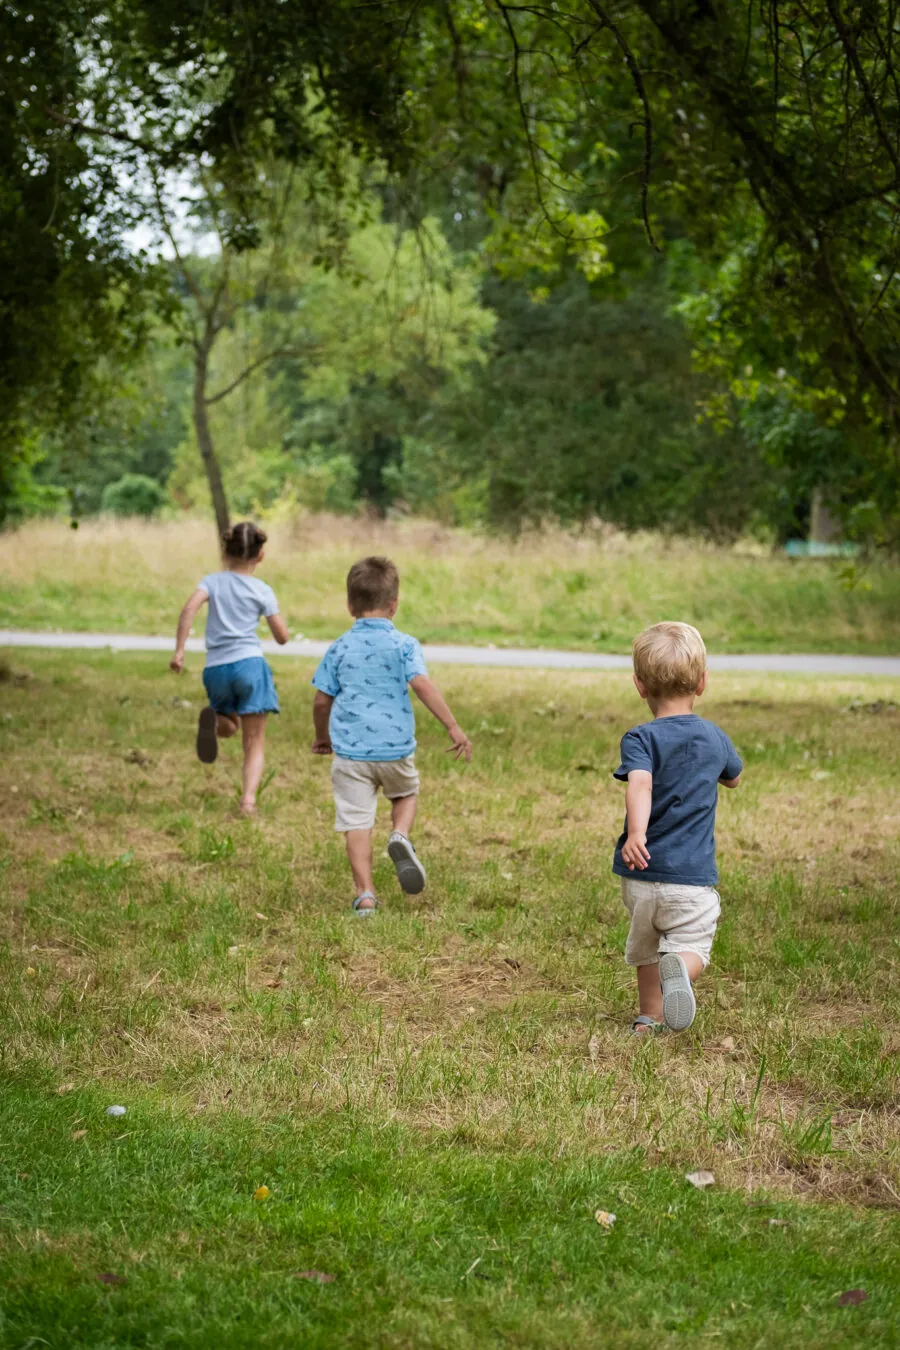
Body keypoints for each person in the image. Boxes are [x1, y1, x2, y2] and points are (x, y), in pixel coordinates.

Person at [311, 555, 471, 915]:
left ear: (350, 605)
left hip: (351, 753)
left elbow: (321, 700)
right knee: (406, 792)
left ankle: (365, 894)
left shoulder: (338, 647)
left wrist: (322, 736)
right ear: (394, 605)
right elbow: (422, 684)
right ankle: (399, 834)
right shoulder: (405, 645)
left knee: (356, 821)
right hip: (394, 747)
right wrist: (452, 726)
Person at [612, 621, 742, 1034]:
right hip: (690, 878)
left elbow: (641, 782)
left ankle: (648, 1019)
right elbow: (734, 777)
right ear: (702, 683)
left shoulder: (639, 738)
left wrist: (636, 834)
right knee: (691, 944)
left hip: (641, 873)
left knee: (648, 950)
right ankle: (683, 972)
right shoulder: (714, 737)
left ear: (640, 686)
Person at [170, 521, 289, 817]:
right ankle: (248, 802)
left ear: (225, 550)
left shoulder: (211, 582)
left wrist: (180, 651)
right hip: (249, 664)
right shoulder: (262, 590)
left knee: (228, 725)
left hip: (216, 669)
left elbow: (188, 609)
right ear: (260, 555)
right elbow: (282, 637)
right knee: (254, 739)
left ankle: (214, 723)